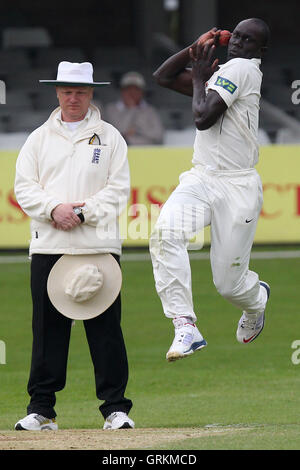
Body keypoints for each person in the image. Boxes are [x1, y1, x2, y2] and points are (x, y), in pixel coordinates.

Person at [14, 61, 134, 430]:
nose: (73, 98)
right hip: (49, 245)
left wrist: (81, 214)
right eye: (67, 91)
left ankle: (116, 409)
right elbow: (24, 187)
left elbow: (118, 190)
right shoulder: (38, 138)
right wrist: (54, 209)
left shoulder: (110, 137)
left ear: (91, 93)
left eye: (80, 92)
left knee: (105, 330)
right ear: (57, 93)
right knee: (48, 330)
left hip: (97, 245)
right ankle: (42, 409)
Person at [149, 19, 271, 361]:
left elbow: (203, 117)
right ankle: (184, 324)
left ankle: (257, 299)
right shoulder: (226, 72)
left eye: (247, 40)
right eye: (237, 35)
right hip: (201, 178)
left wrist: (201, 74)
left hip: (238, 185)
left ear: (259, 51)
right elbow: (162, 77)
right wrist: (193, 50)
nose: (237, 42)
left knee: (228, 286)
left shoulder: (244, 69)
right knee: (165, 234)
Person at [104, 71, 164, 145]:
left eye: (136, 89)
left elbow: (159, 136)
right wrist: (131, 109)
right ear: (122, 91)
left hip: (146, 153)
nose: (132, 92)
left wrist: (137, 130)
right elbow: (118, 132)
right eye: (128, 89)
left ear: (142, 92)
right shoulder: (111, 109)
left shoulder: (150, 111)